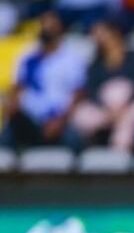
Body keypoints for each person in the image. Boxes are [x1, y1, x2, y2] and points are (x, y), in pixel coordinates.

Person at [2, 10, 86, 149]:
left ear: (60, 27)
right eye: (43, 24)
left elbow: (78, 93)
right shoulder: (28, 56)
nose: (46, 28)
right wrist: (11, 107)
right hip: (28, 119)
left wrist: (60, 121)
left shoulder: (71, 58)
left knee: (73, 140)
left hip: (60, 119)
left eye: (51, 24)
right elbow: (18, 87)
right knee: (5, 137)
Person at [69, 16, 134, 151]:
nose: (98, 37)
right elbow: (92, 91)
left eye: (102, 33)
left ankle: (121, 150)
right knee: (81, 114)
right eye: (95, 34)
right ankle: (92, 150)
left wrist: (124, 105)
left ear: (114, 33)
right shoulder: (95, 64)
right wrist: (108, 109)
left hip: (131, 106)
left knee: (128, 101)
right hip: (105, 110)